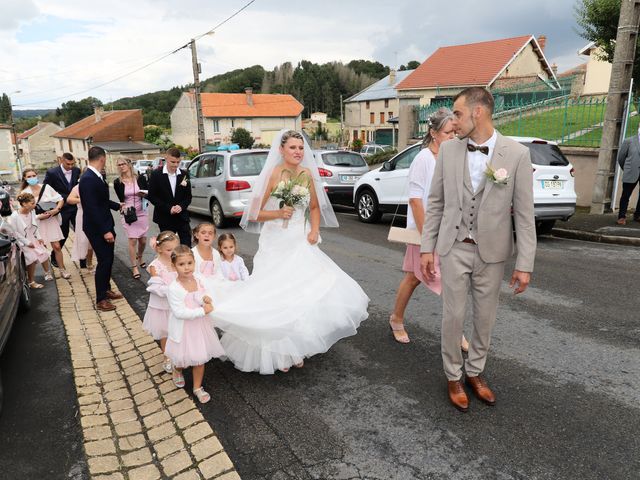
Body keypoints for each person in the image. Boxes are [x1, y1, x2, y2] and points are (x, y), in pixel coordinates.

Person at [211, 129, 370, 374]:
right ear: (281, 150)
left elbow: (314, 207)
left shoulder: (307, 174)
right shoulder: (274, 175)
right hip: (276, 241)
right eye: (293, 147)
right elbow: (253, 213)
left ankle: (294, 346)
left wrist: (314, 230)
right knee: (277, 294)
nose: (298, 152)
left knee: (302, 294)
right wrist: (277, 213)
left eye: (301, 148)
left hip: (300, 239)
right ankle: (276, 349)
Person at [420, 87, 536, 412]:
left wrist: (524, 263)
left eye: (457, 114)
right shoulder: (448, 151)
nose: (452, 121)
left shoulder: (516, 155)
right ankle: (453, 376)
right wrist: (427, 247)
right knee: (453, 316)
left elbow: (525, 216)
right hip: (454, 245)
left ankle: (475, 372)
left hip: (493, 251)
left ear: (478, 113)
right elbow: (436, 204)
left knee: (484, 318)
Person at [389, 107, 468, 352]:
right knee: (414, 278)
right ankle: (396, 319)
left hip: (450, 231)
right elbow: (415, 200)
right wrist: (427, 239)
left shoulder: (453, 157)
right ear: (434, 133)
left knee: (454, 281)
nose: (453, 137)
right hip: (426, 231)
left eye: (455, 132)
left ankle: (456, 332)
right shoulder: (423, 158)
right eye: (448, 133)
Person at [166, 245, 224, 403]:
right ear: (174, 266)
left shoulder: (197, 279)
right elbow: (179, 312)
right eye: (181, 264)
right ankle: (177, 369)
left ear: (194, 262)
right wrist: (202, 311)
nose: (186, 268)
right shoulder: (174, 288)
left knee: (199, 358)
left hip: (199, 327)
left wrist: (205, 299)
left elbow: (199, 294)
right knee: (183, 360)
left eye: (189, 263)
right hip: (184, 328)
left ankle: (197, 387)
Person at [79, 146, 124, 312]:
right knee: (104, 261)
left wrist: (117, 205)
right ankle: (101, 299)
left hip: (103, 222)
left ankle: (106, 288)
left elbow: (101, 201)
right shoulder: (89, 178)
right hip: (97, 227)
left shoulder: (95, 176)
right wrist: (105, 230)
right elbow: (92, 208)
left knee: (109, 259)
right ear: (102, 159)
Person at [20, 168, 71, 279]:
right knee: (42, 248)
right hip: (37, 222)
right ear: (24, 178)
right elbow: (24, 211)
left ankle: (62, 270)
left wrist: (56, 209)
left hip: (51, 220)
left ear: (37, 176)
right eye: (29, 176)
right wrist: (39, 216)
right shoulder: (24, 193)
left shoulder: (46, 187)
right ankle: (47, 272)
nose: (32, 178)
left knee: (57, 246)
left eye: (33, 175)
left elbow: (60, 199)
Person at [143, 231, 180, 374]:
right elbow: (156, 287)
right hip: (162, 305)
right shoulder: (155, 266)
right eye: (169, 250)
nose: (172, 253)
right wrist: (174, 290)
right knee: (165, 332)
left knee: (176, 330)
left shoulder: (176, 261)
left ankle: (178, 354)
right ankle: (167, 358)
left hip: (176, 304)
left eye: (174, 249)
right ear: (159, 249)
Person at [147, 148, 192, 246]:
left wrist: (181, 206)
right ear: (166, 159)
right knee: (167, 246)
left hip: (182, 217)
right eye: (173, 162)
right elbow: (152, 196)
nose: (175, 165)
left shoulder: (184, 175)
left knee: (187, 245)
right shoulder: (156, 175)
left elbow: (188, 196)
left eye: (178, 162)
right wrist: (169, 208)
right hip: (164, 217)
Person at [113, 157, 149, 279]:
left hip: (141, 212)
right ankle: (134, 267)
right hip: (128, 213)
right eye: (119, 165)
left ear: (129, 164)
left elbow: (148, 192)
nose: (121, 166)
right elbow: (121, 199)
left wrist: (144, 194)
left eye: (123, 164)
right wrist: (121, 206)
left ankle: (140, 256)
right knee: (132, 240)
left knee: (143, 240)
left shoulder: (140, 178)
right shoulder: (117, 182)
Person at [7, 192, 52, 287]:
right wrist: (27, 242)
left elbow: (34, 226)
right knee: (31, 259)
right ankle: (31, 281)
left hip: (33, 238)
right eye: (32, 203)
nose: (34, 205)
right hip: (22, 242)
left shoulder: (32, 212)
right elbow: (15, 233)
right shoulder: (15, 216)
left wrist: (39, 238)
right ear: (24, 204)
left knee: (43, 254)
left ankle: (47, 272)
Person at [43, 153, 81, 267]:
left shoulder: (77, 171)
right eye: (68, 164)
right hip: (61, 208)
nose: (70, 166)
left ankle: (83, 259)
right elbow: (46, 189)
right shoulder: (52, 173)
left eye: (72, 164)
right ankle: (54, 255)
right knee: (63, 233)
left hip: (76, 207)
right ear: (61, 161)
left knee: (81, 231)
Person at [66, 180, 94, 273]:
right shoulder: (78, 187)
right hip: (83, 215)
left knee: (94, 240)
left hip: (96, 214)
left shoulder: (96, 184)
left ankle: (91, 262)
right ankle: (88, 263)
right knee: (85, 240)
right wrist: (83, 199)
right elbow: (69, 199)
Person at [616, 128, 640, 225]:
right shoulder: (629, 141)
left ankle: (638, 214)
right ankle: (621, 217)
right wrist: (626, 169)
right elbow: (621, 158)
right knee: (626, 195)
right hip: (631, 172)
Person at [191, 222, 225, 287]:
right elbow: (193, 275)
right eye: (203, 233)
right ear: (197, 235)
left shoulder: (216, 253)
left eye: (210, 233)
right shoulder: (192, 254)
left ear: (214, 236)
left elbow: (218, 271)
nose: (207, 235)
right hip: (198, 287)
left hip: (215, 285)